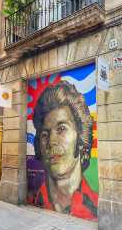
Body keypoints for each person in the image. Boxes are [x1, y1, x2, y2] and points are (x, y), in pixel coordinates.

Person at [32, 80, 98, 220]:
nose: (51, 141)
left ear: (81, 137)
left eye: (61, 129)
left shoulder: (96, 207)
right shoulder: (33, 199)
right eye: (45, 134)